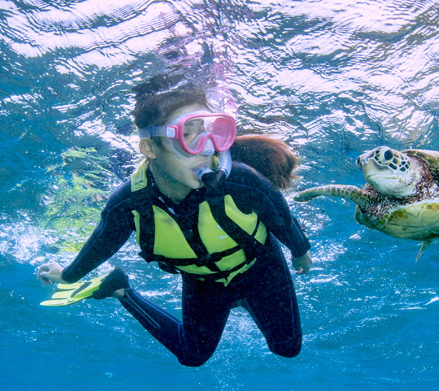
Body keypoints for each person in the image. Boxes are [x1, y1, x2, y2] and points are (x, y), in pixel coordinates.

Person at [36, 73, 312, 367]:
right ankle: (123, 292)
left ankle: (245, 298)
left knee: (288, 349)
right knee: (192, 357)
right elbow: (100, 245)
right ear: (150, 149)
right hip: (204, 282)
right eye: (188, 135)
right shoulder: (130, 204)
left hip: (260, 267)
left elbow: (279, 213)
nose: (206, 148)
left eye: (211, 132)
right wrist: (66, 276)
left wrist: (300, 251)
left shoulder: (239, 180)